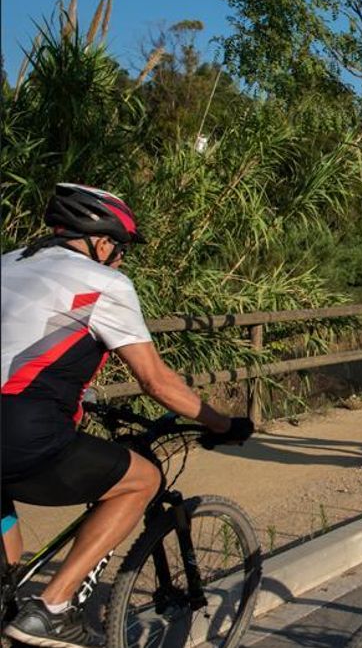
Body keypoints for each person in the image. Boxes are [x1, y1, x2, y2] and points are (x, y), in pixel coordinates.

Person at [1, 184, 253, 648]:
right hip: (21, 433)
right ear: (100, 243)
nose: (120, 260)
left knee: (8, 573)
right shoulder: (103, 283)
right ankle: (52, 609)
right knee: (143, 479)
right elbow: (156, 382)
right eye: (120, 249)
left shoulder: (9, 262)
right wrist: (223, 423)